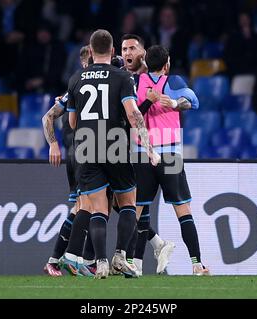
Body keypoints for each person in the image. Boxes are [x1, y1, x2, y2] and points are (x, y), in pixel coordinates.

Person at [65, 29, 159, 279]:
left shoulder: (76, 79)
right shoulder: (121, 77)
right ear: (114, 51)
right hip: (114, 144)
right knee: (128, 202)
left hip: (86, 147)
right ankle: (120, 255)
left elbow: (72, 122)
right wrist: (149, 147)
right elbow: (133, 113)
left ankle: (101, 262)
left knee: (98, 209)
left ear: (91, 50)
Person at [132, 45, 210, 276]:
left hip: (141, 153)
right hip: (170, 153)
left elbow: (131, 111)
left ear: (146, 62)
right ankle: (197, 264)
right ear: (167, 64)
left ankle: (134, 265)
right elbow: (193, 102)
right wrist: (174, 103)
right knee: (182, 209)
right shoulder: (173, 82)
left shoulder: (137, 82)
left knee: (137, 211)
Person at [119, 34, 175, 275]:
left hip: (140, 148)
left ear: (143, 52)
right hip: (120, 146)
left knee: (136, 205)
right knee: (127, 205)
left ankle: (136, 263)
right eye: (124, 49)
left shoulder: (149, 79)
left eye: (133, 48)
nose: (128, 52)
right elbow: (128, 118)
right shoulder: (122, 76)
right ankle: (156, 245)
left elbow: (135, 118)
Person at [42, 45, 95, 278]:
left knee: (88, 207)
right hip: (81, 155)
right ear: (85, 64)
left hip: (86, 152)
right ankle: (64, 259)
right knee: (88, 206)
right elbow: (48, 116)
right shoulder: (77, 87)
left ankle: (76, 259)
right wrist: (53, 144)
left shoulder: (77, 87)